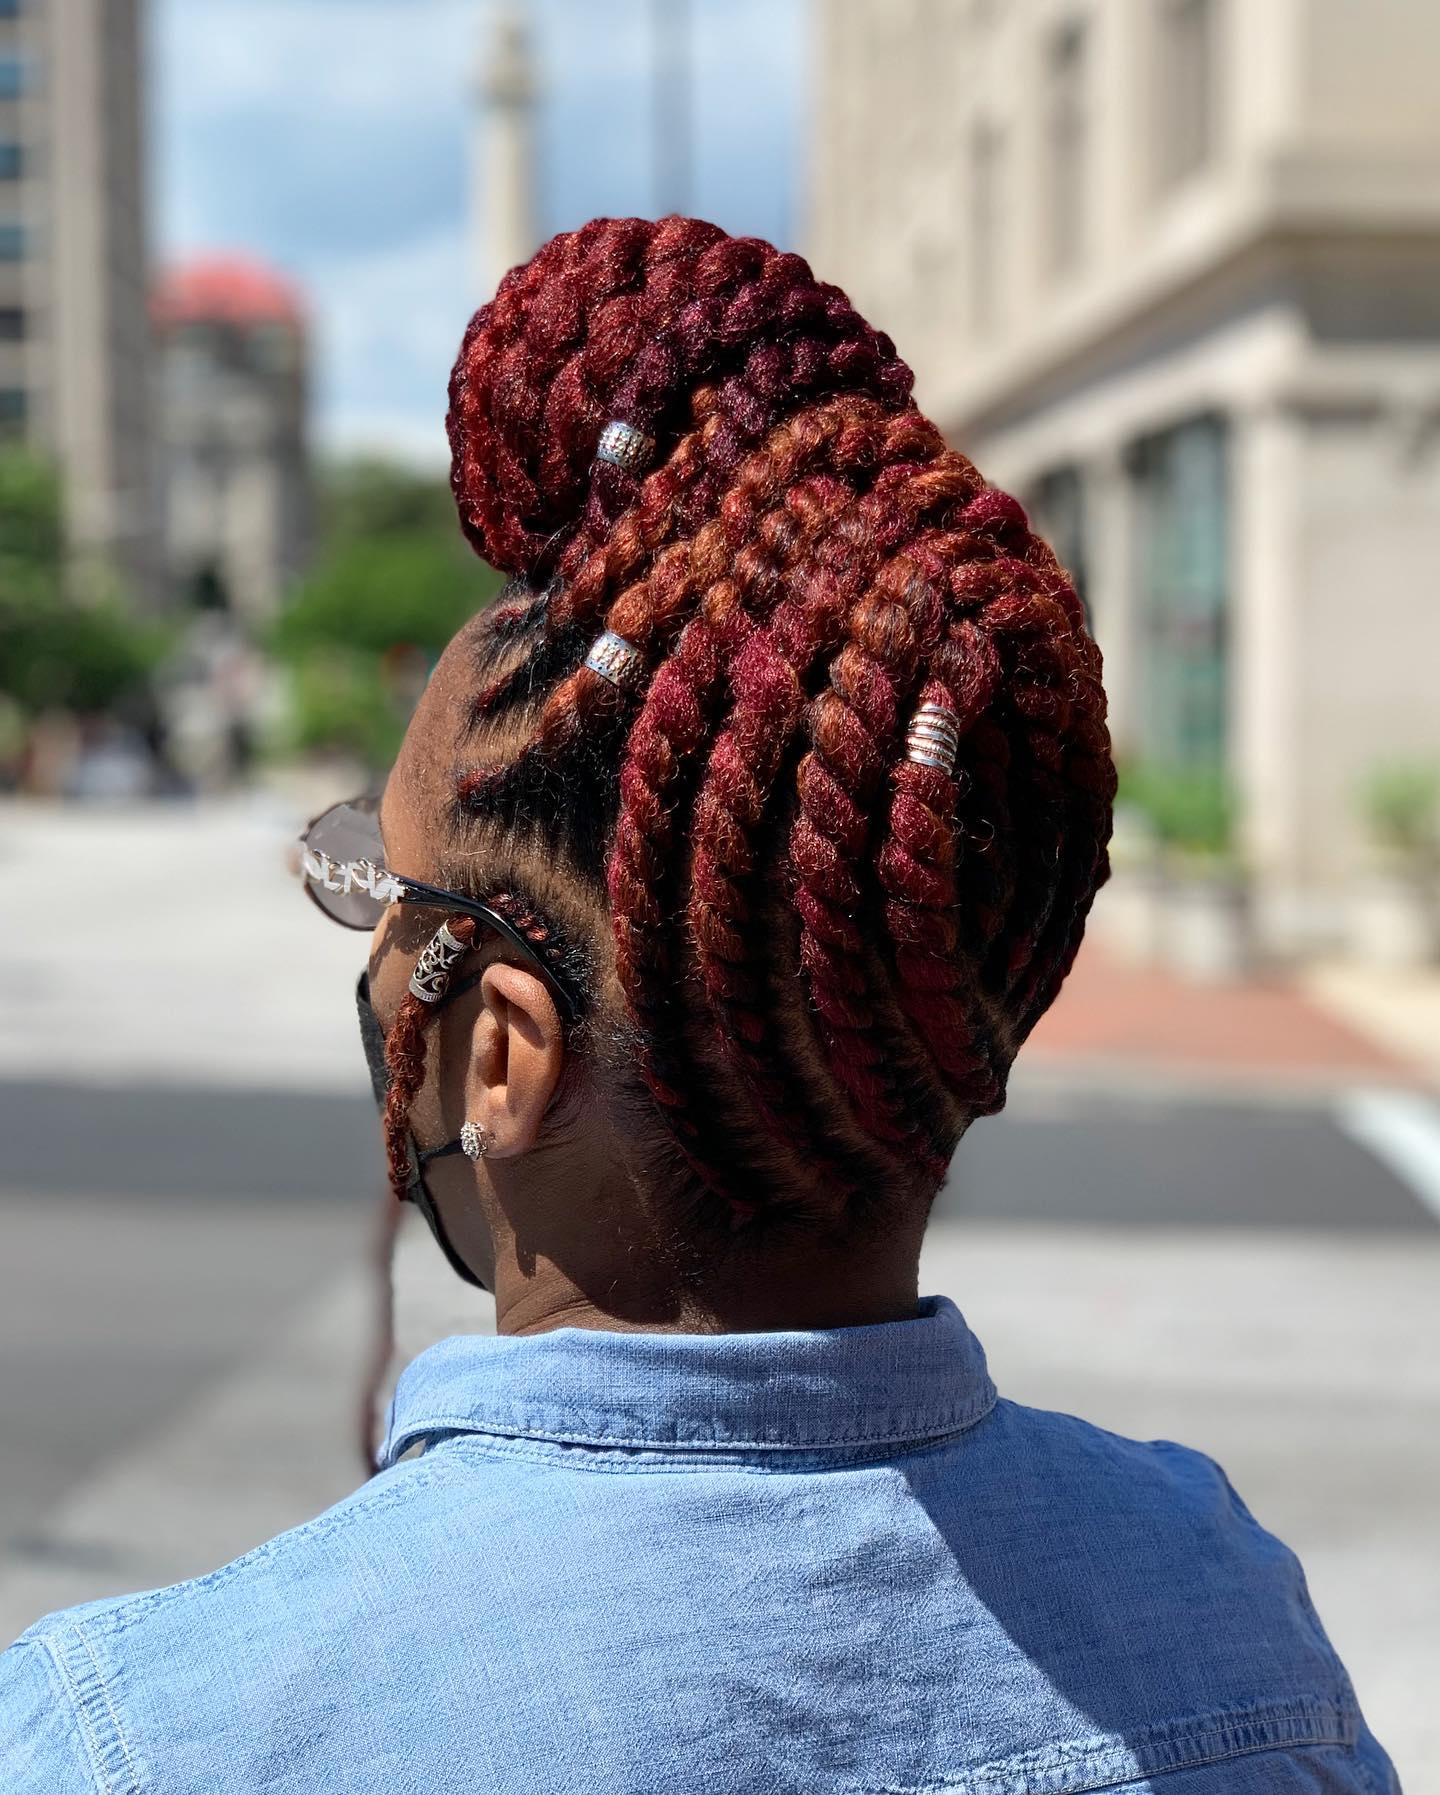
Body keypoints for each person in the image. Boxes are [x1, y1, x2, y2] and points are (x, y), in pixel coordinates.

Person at [0, 216, 1397, 1793]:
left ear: (503, 1056)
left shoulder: (144, 1737)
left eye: (376, 893)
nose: (372, 954)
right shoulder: (1227, 1617)